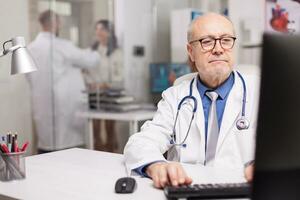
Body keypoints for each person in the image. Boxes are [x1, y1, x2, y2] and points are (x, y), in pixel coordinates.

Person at [124, 13, 258, 189]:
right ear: (191, 52)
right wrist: (156, 165)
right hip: (186, 189)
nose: (218, 49)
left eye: (226, 40)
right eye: (207, 41)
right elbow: (141, 142)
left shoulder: (260, 91)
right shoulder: (174, 96)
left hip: (240, 191)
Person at [27, 10, 100, 153]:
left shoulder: (30, 48)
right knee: (65, 154)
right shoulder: (61, 45)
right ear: (56, 23)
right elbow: (90, 60)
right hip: (64, 110)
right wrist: (96, 50)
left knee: (46, 151)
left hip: (42, 107)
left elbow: (29, 77)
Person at [82, 20, 123, 152]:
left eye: (102, 29)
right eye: (97, 29)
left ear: (109, 32)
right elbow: (85, 70)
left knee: (110, 129)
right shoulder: (91, 51)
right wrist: (90, 82)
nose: (98, 32)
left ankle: (111, 154)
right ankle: (96, 158)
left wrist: (106, 84)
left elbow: (120, 75)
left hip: (110, 94)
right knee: (95, 129)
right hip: (94, 94)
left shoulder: (117, 52)